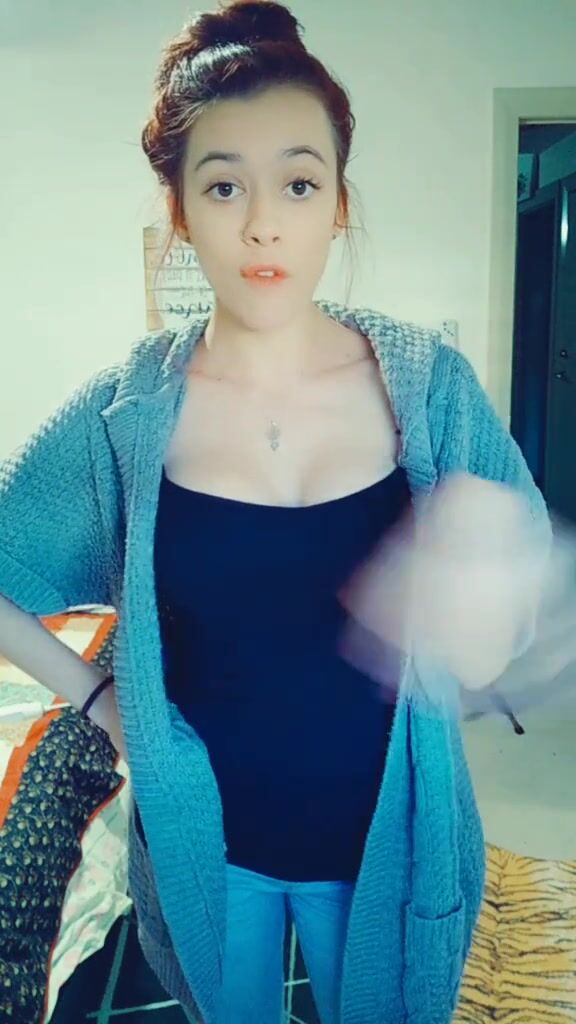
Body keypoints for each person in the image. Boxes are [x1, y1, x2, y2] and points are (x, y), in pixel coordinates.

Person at [0, 2, 560, 1022]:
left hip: (387, 843)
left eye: (299, 183)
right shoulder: (123, 414)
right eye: (224, 185)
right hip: (211, 849)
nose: (264, 224)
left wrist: (481, 582)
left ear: (337, 203)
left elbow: (497, 650)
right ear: (180, 210)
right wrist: (96, 697)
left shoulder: (431, 391)